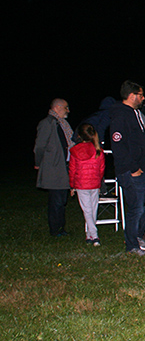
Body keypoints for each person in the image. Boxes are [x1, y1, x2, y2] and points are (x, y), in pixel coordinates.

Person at [109, 80, 145, 255]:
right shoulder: (120, 115)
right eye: (140, 94)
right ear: (132, 96)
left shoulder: (135, 113)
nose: (143, 98)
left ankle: (137, 234)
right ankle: (131, 246)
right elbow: (119, 144)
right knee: (136, 208)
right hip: (131, 171)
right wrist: (132, 168)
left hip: (143, 170)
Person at [34, 98, 74, 236]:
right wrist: (38, 163)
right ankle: (56, 230)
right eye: (66, 107)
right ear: (57, 107)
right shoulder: (47, 123)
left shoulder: (62, 124)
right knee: (57, 201)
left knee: (61, 200)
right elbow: (39, 147)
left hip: (63, 168)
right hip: (54, 168)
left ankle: (60, 228)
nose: (68, 110)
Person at [69, 123, 106, 246]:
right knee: (92, 209)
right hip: (94, 184)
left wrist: (72, 185)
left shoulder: (75, 151)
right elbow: (101, 169)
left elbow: (72, 170)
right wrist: (98, 181)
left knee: (88, 210)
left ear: (79, 136)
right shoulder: (98, 150)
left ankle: (94, 236)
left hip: (81, 184)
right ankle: (89, 235)